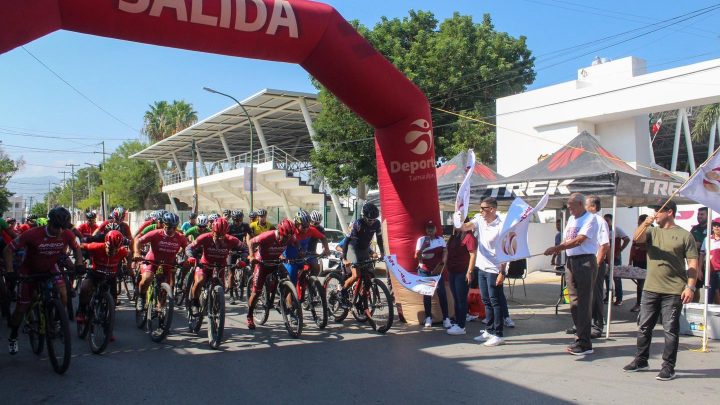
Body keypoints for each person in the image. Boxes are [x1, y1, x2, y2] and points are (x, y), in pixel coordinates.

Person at [623, 200, 698, 381]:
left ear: (669, 212)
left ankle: (668, 366)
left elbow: (693, 263)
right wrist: (645, 223)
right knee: (644, 326)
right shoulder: (652, 231)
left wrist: (690, 286)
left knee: (670, 329)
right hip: (651, 288)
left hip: (673, 290)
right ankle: (641, 360)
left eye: (658, 210)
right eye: (654, 210)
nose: (655, 213)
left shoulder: (684, 235)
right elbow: (637, 238)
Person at [3, 207, 83, 355]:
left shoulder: (67, 234)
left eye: (63, 228)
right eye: (56, 227)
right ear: (49, 222)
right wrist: (10, 271)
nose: (59, 231)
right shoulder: (32, 234)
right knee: (21, 308)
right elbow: (8, 249)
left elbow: (77, 249)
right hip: (29, 270)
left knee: (64, 294)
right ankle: (13, 335)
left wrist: (79, 264)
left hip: (51, 268)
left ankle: (57, 322)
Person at [544, 193, 598, 356]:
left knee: (584, 302)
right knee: (573, 301)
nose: (569, 208)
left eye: (572, 205)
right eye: (568, 205)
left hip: (585, 261)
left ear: (581, 204)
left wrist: (556, 249)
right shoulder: (572, 219)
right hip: (571, 261)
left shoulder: (590, 219)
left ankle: (585, 343)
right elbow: (567, 239)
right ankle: (580, 336)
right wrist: (556, 252)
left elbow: (579, 240)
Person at [459, 197, 506, 346]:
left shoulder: (501, 226)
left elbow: (507, 251)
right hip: (482, 267)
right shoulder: (479, 219)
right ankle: (489, 330)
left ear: (492, 209)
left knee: (495, 301)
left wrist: (502, 272)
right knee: (486, 301)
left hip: (495, 268)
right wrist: (458, 217)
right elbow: (464, 227)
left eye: (483, 209)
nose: (480, 211)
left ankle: (498, 334)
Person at [246, 219, 298, 330]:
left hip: (275, 261)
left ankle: (283, 303)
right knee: (256, 292)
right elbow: (251, 242)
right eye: (284, 237)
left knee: (287, 279)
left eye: (288, 237)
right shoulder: (268, 236)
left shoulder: (290, 237)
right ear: (279, 232)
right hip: (262, 262)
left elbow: (295, 242)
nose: (286, 240)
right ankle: (250, 315)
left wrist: (300, 250)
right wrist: (251, 256)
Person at [76, 230, 129, 337]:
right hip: (95, 274)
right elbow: (79, 246)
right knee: (85, 287)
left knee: (112, 303)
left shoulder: (122, 251)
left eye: (116, 249)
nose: (113, 252)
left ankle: (108, 329)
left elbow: (129, 254)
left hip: (110, 277)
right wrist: (80, 262)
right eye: (110, 248)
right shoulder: (96, 247)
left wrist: (130, 267)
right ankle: (81, 310)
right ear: (105, 243)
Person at [186, 217, 243, 314]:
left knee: (221, 289)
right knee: (200, 281)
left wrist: (242, 260)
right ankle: (195, 303)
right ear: (212, 231)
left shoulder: (231, 240)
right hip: (205, 265)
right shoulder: (205, 237)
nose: (220, 238)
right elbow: (189, 247)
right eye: (217, 235)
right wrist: (191, 257)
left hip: (220, 267)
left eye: (222, 235)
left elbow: (245, 249)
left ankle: (215, 312)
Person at [133, 212, 188, 309]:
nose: (171, 230)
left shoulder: (180, 238)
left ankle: (161, 311)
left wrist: (187, 259)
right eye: (168, 227)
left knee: (166, 289)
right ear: (163, 225)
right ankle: (141, 298)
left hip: (168, 264)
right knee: (147, 278)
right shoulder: (155, 233)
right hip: (152, 261)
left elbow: (188, 249)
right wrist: (136, 252)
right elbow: (138, 241)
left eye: (174, 228)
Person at [340, 202, 385, 308]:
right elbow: (346, 241)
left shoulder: (377, 224)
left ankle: (361, 301)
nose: (372, 222)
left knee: (369, 276)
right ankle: (342, 293)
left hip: (364, 249)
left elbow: (379, 239)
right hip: (352, 248)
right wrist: (344, 258)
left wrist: (382, 253)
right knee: (356, 275)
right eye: (370, 220)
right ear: (364, 217)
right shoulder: (357, 224)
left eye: (374, 219)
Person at [415, 220, 449, 328]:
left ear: (435, 229)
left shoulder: (440, 240)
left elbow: (445, 252)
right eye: (428, 228)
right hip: (425, 270)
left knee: (442, 293)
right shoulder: (421, 240)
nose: (430, 230)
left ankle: (446, 318)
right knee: (427, 294)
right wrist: (423, 247)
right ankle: (428, 317)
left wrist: (443, 263)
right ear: (426, 230)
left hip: (437, 271)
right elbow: (417, 256)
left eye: (432, 228)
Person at [446, 220, 477, 335]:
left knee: (461, 299)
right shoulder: (454, 236)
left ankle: (461, 325)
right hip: (452, 271)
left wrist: (469, 271)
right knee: (456, 298)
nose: (455, 225)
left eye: (458, 223)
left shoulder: (469, 237)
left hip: (462, 272)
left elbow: (473, 255)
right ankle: (457, 322)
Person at [604, 213, 630, 306]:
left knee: (616, 278)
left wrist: (620, 250)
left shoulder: (617, 229)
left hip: (615, 257)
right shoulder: (604, 230)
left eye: (607, 220)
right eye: (605, 221)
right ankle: (609, 296)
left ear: (611, 221)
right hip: (606, 257)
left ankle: (619, 298)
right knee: (606, 277)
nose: (606, 222)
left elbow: (627, 239)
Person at [628, 214, 651, 312]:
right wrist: (630, 261)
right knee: (639, 284)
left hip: (647, 262)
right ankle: (638, 303)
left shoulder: (651, 231)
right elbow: (633, 247)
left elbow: (651, 247)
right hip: (637, 261)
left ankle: (646, 305)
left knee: (647, 284)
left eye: (639, 221)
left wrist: (642, 247)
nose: (637, 223)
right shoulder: (638, 231)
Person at [690, 207, 708, 303]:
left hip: (710, 263)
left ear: (707, 216)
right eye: (698, 214)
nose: (699, 216)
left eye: (702, 214)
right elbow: (689, 242)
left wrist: (701, 244)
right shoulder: (694, 229)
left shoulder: (714, 227)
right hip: (696, 262)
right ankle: (695, 307)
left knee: (713, 289)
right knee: (695, 288)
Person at [700, 220, 720, 305]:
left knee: (718, 292)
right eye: (715, 225)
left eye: (718, 225)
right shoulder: (707, 239)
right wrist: (699, 270)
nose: (716, 227)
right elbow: (701, 255)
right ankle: (708, 316)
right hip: (710, 271)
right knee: (710, 294)